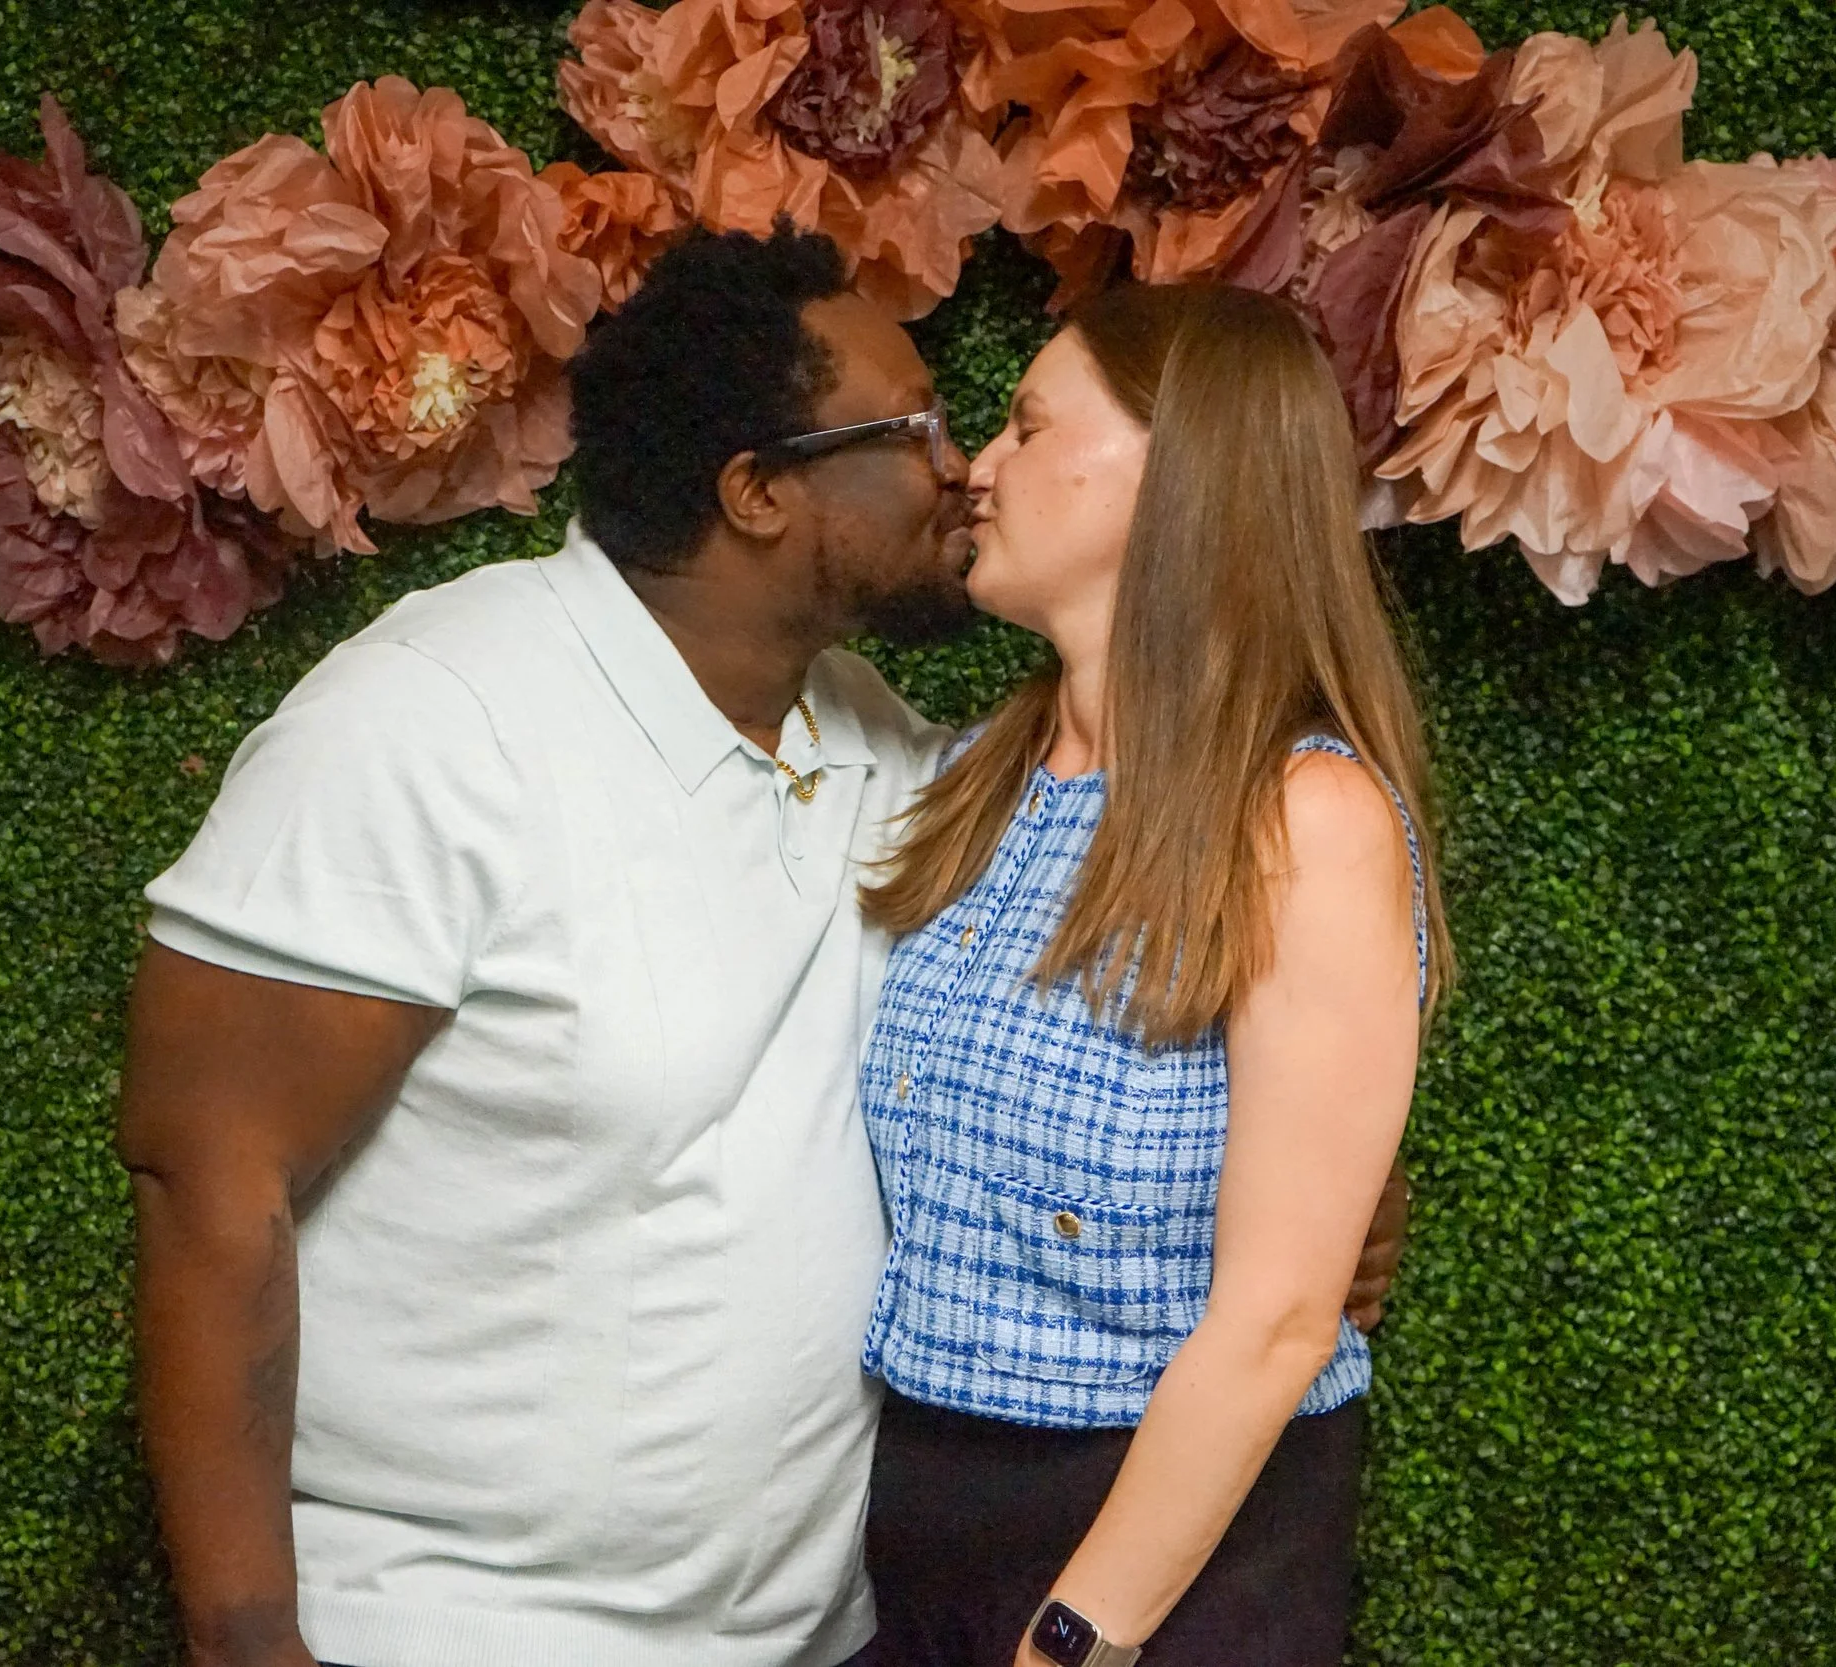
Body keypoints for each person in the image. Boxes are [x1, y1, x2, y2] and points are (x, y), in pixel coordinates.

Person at [115, 226, 1409, 1667]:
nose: (963, 466)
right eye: (919, 428)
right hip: (464, 1624)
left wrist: (1301, 1207)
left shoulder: (894, 757)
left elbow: (1172, 1035)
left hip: (843, 1628)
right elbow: (205, 1172)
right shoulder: (434, 719)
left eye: (999, 426)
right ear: (758, 490)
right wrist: (246, 1643)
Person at [854, 282, 1451, 1667]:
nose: (977, 468)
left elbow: (1280, 1316)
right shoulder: (975, 777)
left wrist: (1075, 1639)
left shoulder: (1305, 820)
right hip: (924, 1531)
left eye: (1026, 425)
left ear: (1178, 469)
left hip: (1170, 1561)